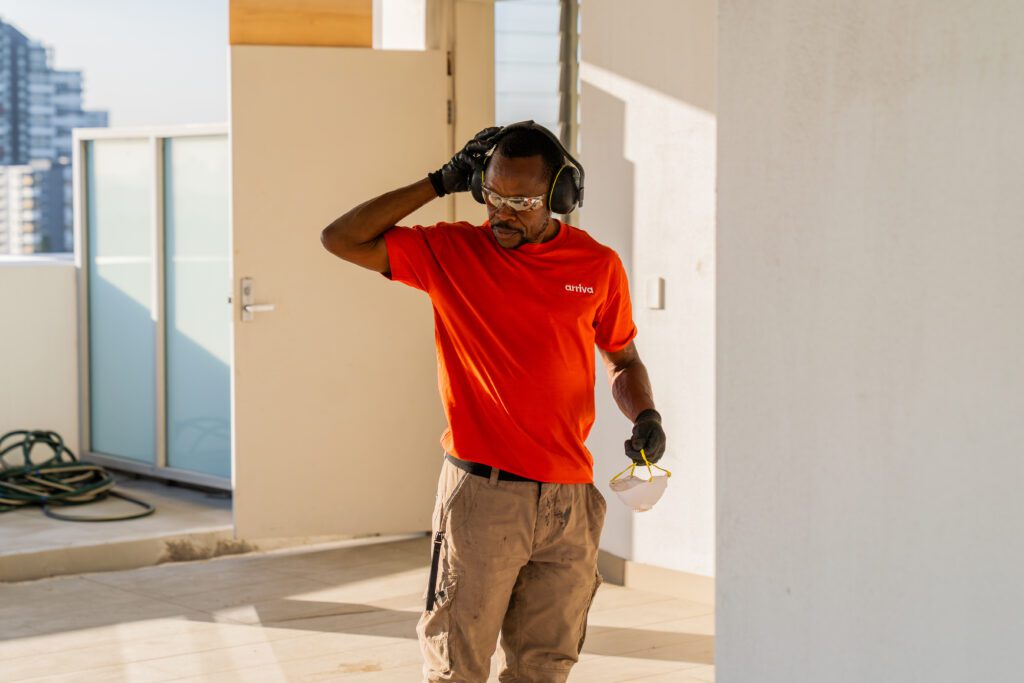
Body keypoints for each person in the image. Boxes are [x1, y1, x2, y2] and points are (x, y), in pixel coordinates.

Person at [320, 122, 666, 683]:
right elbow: (341, 238)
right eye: (494, 196)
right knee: (457, 669)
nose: (502, 213)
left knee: (546, 669)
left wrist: (645, 413)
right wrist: (438, 182)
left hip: (570, 502)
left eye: (522, 201)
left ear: (560, 197)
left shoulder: (597, 266)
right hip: (483, 498)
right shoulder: (450, 251)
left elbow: (623, 360)